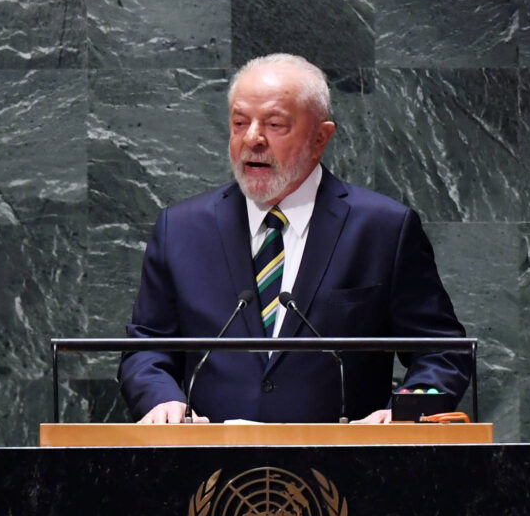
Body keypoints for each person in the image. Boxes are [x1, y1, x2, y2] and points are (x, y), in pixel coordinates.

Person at [118, 53, 470, 424]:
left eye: (275, 124)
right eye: (239, 123)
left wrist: (401, 413)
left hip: (349, 468)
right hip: (211, 470)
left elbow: (443, 352)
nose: (252, 138)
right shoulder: (182, 229)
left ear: (321, 137)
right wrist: (161, 402)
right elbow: (146, 348)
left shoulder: (383, 229)